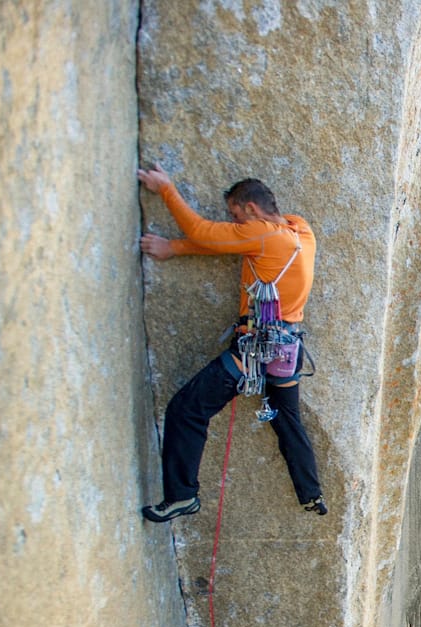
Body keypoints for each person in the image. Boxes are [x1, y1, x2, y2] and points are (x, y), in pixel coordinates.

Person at [136, 166, 327, 521]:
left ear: (252, 210)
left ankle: (181, 496)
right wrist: (173, 249)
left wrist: (166, 189)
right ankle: (311, 493)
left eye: (236, 215)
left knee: (187, 408)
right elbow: (227, 243)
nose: (233, 222)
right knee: (286, 419)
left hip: (256, 347)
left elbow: (203, 233)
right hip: (289, 349)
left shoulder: (263, 236)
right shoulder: (300, 230)